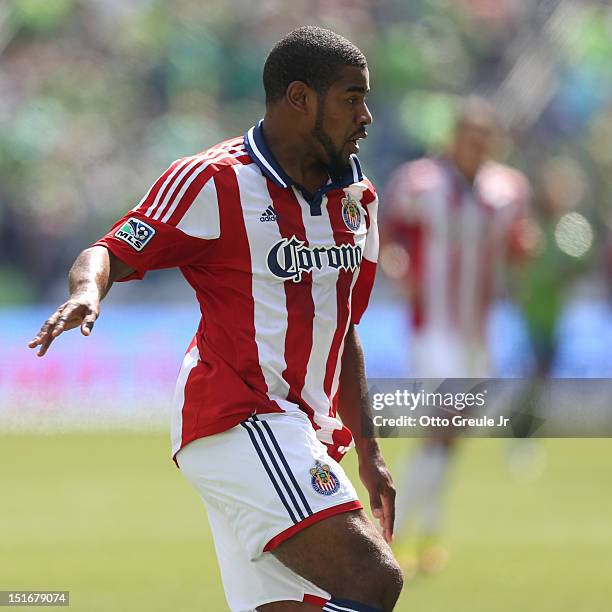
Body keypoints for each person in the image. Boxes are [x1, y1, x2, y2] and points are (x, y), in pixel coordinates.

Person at [28, 26, 403, 612]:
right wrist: (87, 292)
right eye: (352, 99)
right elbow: (110, 250)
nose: (367, 116)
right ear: (300, 98)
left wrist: (370, 451)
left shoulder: (358, 200)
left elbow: (342, 326)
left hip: (303, 431)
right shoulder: (214, 179)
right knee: (372, 580)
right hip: (237, 415)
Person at [381, 97, 531, 572]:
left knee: (446, 438)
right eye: (470, 135)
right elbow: (387, 232)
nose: (478, 144)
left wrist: (524, 248)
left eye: (486, 136)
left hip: (477, 330)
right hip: (433, 327)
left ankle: (422, 534)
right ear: (454, 137)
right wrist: (396, 264)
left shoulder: (508, 189)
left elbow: (513, 243)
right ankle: (398, 533)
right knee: (442, 426)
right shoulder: (418, 182)